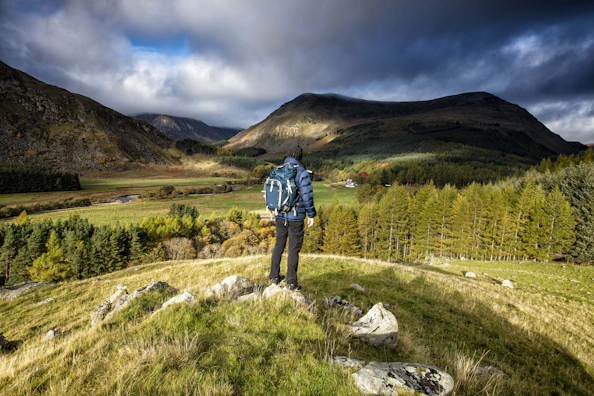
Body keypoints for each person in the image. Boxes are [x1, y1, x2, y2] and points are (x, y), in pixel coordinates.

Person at [269, 144, 316, 290]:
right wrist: (311, 214)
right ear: (300, 156)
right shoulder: (302, 172)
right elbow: (307, 195)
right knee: (293, 249)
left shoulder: (277, 170)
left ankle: (274, 277)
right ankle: (291, 282)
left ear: (288, 154)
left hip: (279, 214)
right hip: (295, 217)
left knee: (279, 246)